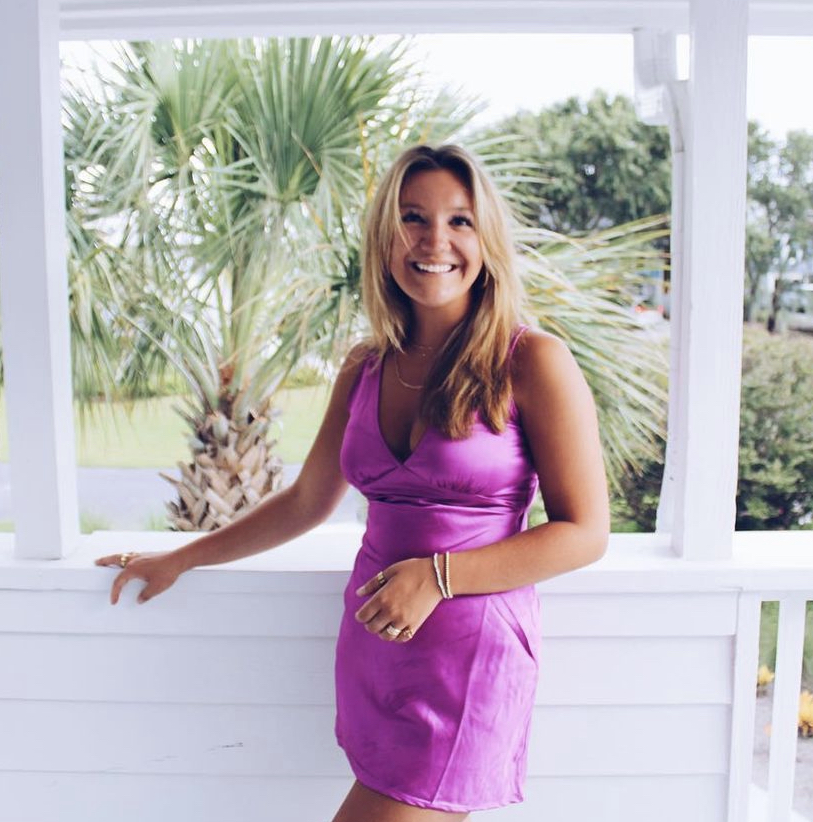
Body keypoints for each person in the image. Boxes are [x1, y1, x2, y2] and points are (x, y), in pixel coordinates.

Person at [96, 143, 610, 821]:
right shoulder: (365, 365)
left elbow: (586, 533)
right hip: (376, 650)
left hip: (465, 658)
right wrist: (182, 556)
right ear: (383, 237)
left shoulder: (531, 361)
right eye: (412, 217)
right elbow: (309, 500)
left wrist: (437, 575)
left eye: (459, 221)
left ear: (486, 237)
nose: (434, 240)